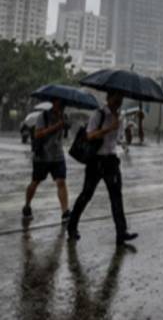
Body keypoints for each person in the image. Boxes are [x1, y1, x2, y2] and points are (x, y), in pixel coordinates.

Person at [67, 91, 137, 245]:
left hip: (111, 160)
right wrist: (108, 129)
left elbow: (119, 140)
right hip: (95, 160)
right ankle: (72, 226)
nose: (118, 101)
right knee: (87, 194)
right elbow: (89, 136)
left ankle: (121, 232)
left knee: (116, 196)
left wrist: (127, 132)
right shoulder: (98, 114)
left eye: (120, 99)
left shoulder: (119, 117)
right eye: (115, 98)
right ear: (108, 98)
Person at [23, 100, 70, 222]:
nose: (61, 107)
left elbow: (63, 136)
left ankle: (65, 212)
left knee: (61, 182)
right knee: (35, 182)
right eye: (60, 104)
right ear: (54, 103)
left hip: (58, 156)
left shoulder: (64, 117)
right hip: (42, 156)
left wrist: (65, 126)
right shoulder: (42, 117)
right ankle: (27, 205)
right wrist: (56, 127)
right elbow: (38, 134)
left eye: (63, 106)